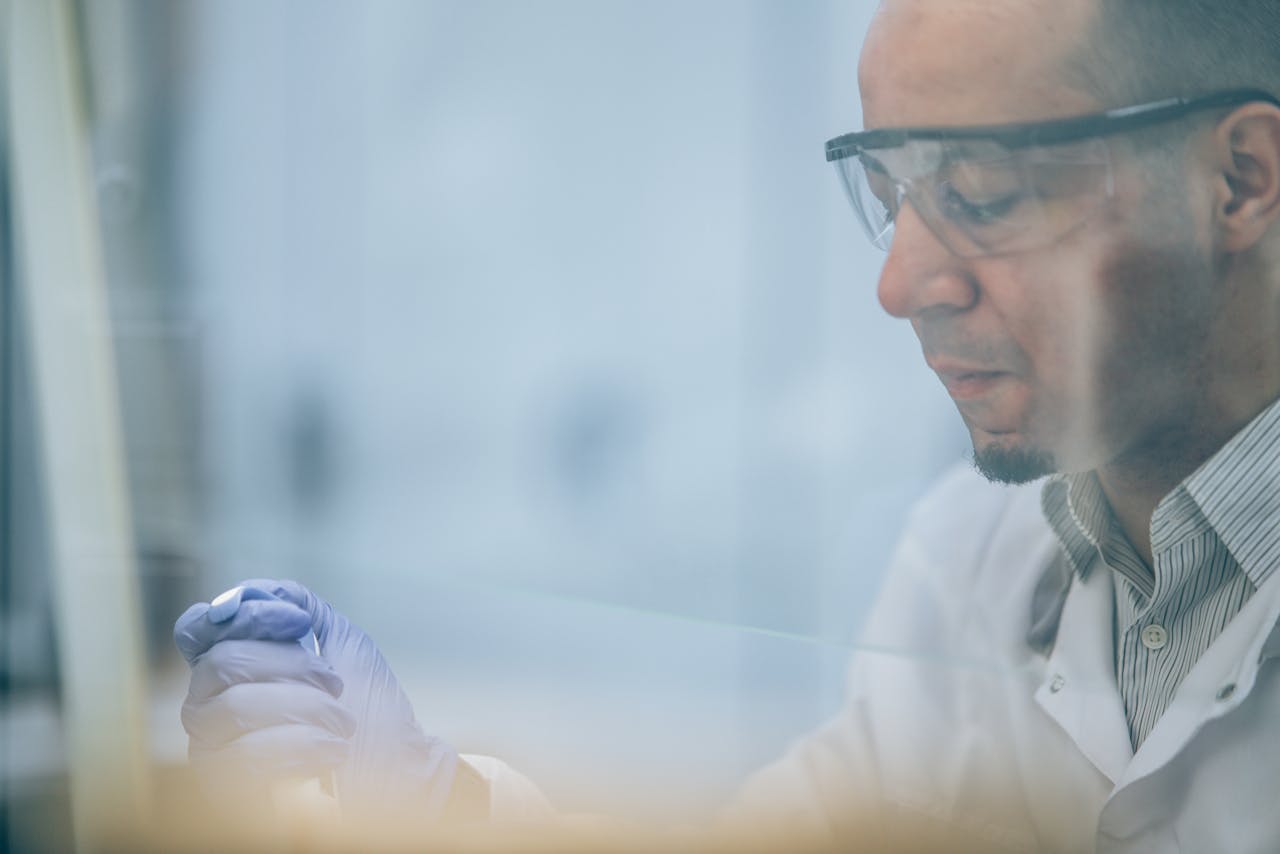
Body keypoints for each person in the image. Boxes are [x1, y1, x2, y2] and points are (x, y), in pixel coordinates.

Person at [174, 0, 1280, 850]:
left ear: (1238, 179)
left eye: (981, 194)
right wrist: (436, 797)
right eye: (891, 196)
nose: (898, 284)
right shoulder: (968, 559)